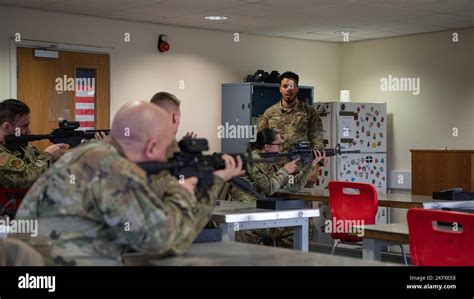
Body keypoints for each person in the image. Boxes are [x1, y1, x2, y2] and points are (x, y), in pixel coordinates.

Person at [15, 101, 243, 266]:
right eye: (165, 151)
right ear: (152, 147)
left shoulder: (90, 154)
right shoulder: (113, 168)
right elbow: (163, 241)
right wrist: (181, 189)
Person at [223, 128, 325, 248]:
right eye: (278, 145)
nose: (281, 148)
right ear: (267, 147)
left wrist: (311, 165)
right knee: (296, 226)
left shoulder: (267, 161)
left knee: (303, 224)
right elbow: (269, 188)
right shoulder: (253, 159)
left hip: (258, 212)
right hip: (247, 215)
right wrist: (285, 170)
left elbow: (293, 186)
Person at [0, 99, 65, 189]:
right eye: (24, 126)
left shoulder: (20, 146)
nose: (28, 131)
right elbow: (26, 179)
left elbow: (41, 165)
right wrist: (48, 155)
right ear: (7, 127)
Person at [257, 71, 324, 152]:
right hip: (277, 164)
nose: (288, 90)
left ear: (297, 89)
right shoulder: (269, 113)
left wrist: (317, 163)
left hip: (301, 163)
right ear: (280, 89)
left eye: (291, 86)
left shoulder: (310, 113)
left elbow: (317, 142)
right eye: (285, 86)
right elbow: (260, 143)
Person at [150, 91, 196, 159]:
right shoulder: (169, 141)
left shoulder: (141, 141)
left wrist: (181, 146)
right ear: (174, 117)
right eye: (179, 117)